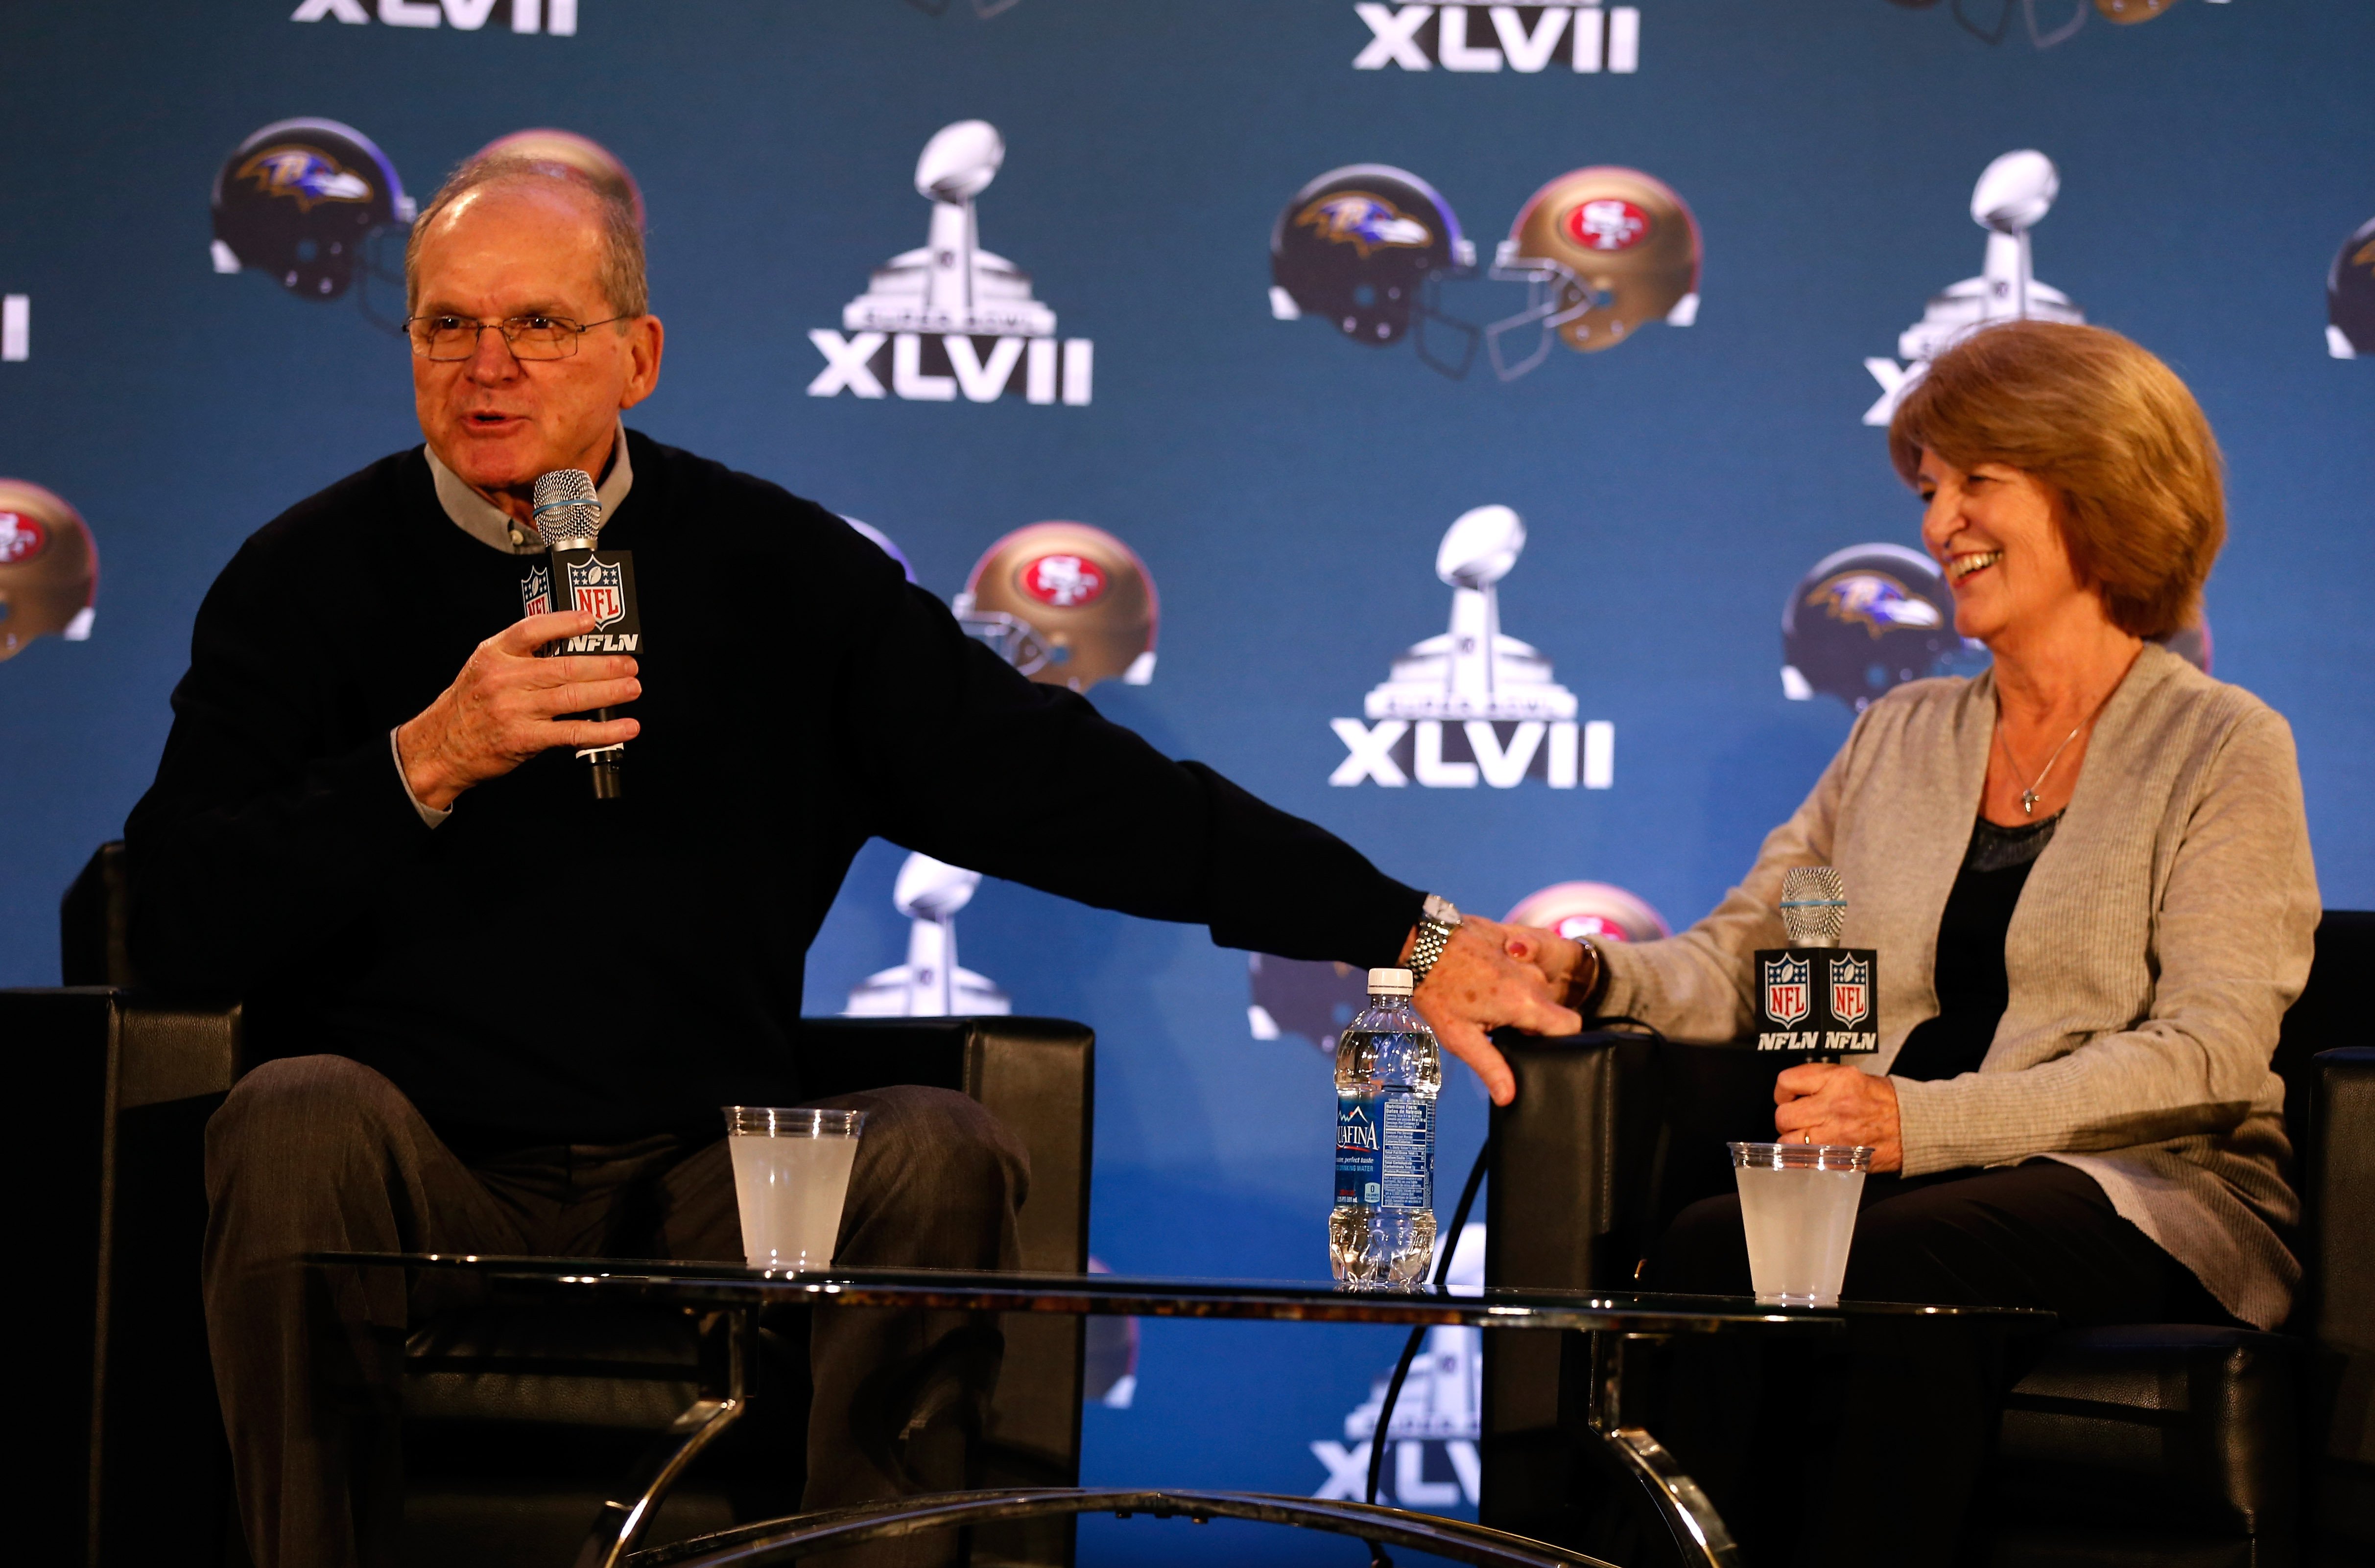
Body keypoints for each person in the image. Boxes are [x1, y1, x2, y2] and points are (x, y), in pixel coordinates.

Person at [124, 150, 1579, 1568]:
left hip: (704, 1162)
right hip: (413, 1162)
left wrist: (1408, 928)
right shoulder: (305, 576)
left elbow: (1074, 792)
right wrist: (424, 757)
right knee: (293, 1112)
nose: (488, 364)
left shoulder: (774, 571)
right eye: (448, 324)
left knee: (935, 1149)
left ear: (637, 355)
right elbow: (173, 916)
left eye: (540, 325)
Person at [1510, 319, 2318, 1565]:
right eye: (1931, 489)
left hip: (2149, 1190)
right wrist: (1590, 969)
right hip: (1908, 1187)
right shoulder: (1902, 735)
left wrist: (1915, 1125)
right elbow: (1745, 956)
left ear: (2095, 482)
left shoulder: (2219, 745)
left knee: (1898, 1262)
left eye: (1976, 483)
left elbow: (2209, 1052)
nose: (1941, 524)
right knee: (1702, 1244)